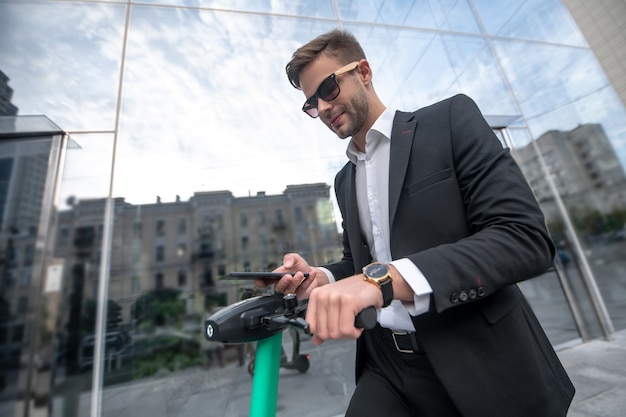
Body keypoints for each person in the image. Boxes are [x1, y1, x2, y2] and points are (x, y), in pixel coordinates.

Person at [262, 29, 575, 417]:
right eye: (312, 103)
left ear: (363, 71)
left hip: (476, 358)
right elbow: (360, 263)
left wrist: (383, 281)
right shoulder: (344, 180)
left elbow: (524, 238)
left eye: (328, 88)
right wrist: (321, 277)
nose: (323, 108)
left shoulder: (448, 121)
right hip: (387, 365)